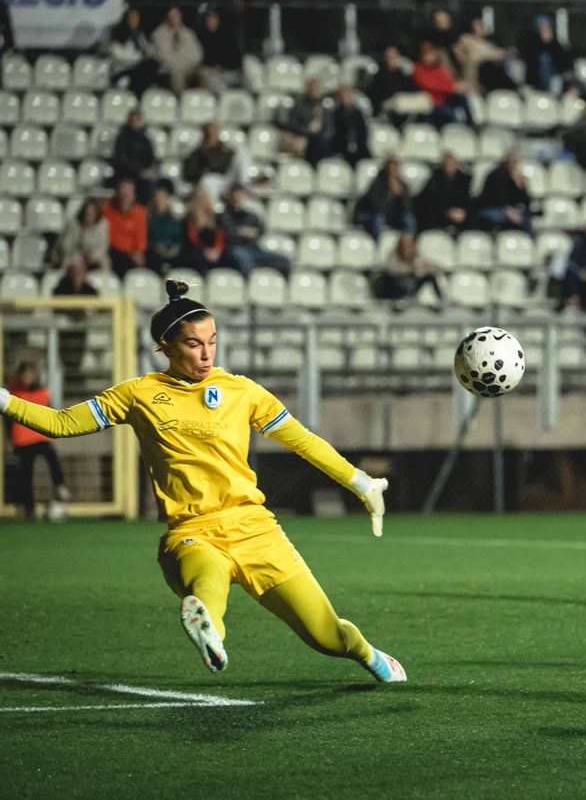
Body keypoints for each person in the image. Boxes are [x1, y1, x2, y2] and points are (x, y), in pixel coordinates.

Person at [0, 280, 404, 681]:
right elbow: (59, 422)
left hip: (255, 529)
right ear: (165, 346)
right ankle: (210, 634)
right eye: (194, 343)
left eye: (212, 340)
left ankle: (367, 653)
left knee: (327, 636)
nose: (207, 352)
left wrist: (361, 483)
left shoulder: (241, 390)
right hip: (192, 532)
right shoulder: (139, 394)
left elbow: (303, 441)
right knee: (207, 584)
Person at [7, 362, 70, 521]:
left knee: (53, 461)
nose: (28, 378)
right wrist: (11, 439)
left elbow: (52, 414)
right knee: (25, 475)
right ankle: (29, 508)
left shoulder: (42, 393)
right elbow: (8, 422)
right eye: (25, 374)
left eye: (31, 374)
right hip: (23, 441)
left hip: (41, 437)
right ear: (20, 376)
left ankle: (60, 487)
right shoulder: (14, 394)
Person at [219, 183, 292, 275]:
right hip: (234, 249)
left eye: (240, 194)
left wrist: (242, 232)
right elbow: (230, 235)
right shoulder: (224, 215)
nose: (237, 197)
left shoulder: (251, 215)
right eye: (235, 194)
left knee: (285, 261)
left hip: (254, 249)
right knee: (245, 263)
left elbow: (259, 232)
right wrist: (244, 232)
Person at [182, 121, 252, 198]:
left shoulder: (226, 150)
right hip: (199, 185)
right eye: (208, 131)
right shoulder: (196, 152)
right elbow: (188, 174)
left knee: (209, 180)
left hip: (224, 183)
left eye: (214, 130)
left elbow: (222, 168)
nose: (211, 133)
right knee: (206, 181)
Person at [354, 157, 417, 241]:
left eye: (396, 168)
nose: (394, 171)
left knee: (408, 218)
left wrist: (400, 196)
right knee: (379, 219)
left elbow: (407, 207)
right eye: (391, 169)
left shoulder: (403, 186)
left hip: (392, 216)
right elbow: (378, 208)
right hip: (372, 215)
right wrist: (390, 194)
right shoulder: (378, 184)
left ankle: (408, 243)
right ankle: (376, 244)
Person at [101, 8, 159, 94]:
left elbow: (146, 48)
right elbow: (118, 56)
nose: (134, 20)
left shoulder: (139, 35)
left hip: (137, 69)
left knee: (153, 65)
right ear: (126, 19)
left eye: (136, 18)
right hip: (122, 70)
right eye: (132, 18)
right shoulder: (118, 33)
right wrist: (139, 57)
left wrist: (152, 51)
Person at [278, 77, 334, 165]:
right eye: (312, 87)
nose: (315, 90)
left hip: (321, 143)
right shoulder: (299, 105)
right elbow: (292, 125)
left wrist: (321, 136)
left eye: (317, 87)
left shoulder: (325, 108)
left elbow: (330, 129)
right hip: (303, 140)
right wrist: (307, 131)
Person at [377, 231, 444, 303]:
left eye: (410, 243)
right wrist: (409, 269)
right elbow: (389, 268)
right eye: (405, 243)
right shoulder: (393, 255)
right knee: (389, 277)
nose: (408, 246)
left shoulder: (416, 255)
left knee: (430, 276)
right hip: (396, 286)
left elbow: (427, 264)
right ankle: (396, 300)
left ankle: (441, 301)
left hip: (410, 285)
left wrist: (435, 268)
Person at [472, 153, 532, 234]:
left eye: (515, 162)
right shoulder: (494, 176)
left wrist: (519, 186)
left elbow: (525, 201)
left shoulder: (517, 178)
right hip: (491, 208)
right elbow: (490, 199)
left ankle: (527, 241)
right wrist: (507, 210)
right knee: (500, 216)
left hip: (512, 210)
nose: (513, 164)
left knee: (525, 216)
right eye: (511, 161)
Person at [151, 6, 204, 94]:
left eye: (176, 15)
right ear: (167, 17)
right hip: (169, 69)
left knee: (204, 75)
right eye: (171, 15)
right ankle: (181, 103)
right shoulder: (158, 33)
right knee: (177, 73)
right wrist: (180, 63)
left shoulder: (188, 33)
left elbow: (198, 54)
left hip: (189, 67)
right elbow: (163, 56)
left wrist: (185, 63)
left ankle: (203, 104)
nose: (174, 18)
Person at [103, 178, 148, 277]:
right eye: (122, 193)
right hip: (116, 252)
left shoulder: (139, 212)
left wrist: (138, 251)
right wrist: (128, 252)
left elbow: (141, 235)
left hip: (134, 253)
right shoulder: (108, 211)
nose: (125, 196)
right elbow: (109, 237)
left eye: (128, 193)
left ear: (133, 195)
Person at [414, 152, 471, 230]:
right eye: (447, 164)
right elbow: (432, 200)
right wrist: (447, 212)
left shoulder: (464, 179)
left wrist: (462, 211)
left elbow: (466, 199)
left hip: (460, 213)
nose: (449, 166)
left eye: (452, 163)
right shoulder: (435, 179)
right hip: (440, 213)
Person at [111, 109, 157, 202]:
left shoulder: (145, 140)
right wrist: (139, 171)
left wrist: (148, 170)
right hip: (125, 174)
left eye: (138, 120)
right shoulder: (122, 138)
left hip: (142, 176)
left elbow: (150, 158)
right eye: (133, 120)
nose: (135, 122)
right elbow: (121, 160)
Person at [195, 7, 242, 93]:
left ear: (218, 20)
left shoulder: (228, 36)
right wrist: (211, 68)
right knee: (213, 80)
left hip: (229, 72)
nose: (211, 22)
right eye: (208, 20)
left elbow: (236, 59)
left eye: (213, 19)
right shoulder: (202, 37)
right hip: (211, 73)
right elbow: (200, 59)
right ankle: (222, 102)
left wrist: (222, 67)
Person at [56, 199, 109, 271]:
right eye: (87, 214)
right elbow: (65, 246)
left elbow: (103, 246)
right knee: (69, 261)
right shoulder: (73, 224)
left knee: (104, 261)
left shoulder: (103, 224)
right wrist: (80, 255)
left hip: (93, 258)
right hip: (74, 256)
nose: (89, 218)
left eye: (92, 215)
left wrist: (93, 255)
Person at [146, 180, 186, 272]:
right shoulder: (149, 220)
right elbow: (148, 240)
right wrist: (159, 248)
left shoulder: (174, 221)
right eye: (158, 198)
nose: (160, 201)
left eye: (163, 198)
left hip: (172, 252)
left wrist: (173, 250)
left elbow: (179, 240)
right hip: (155, 253)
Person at [185, 187, 227, 272]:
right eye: (200, 197)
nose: (203, 200)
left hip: (215, 251)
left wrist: (217, 250)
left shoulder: (215, 218)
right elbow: (192, 238)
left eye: (205, 196)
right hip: (198, 251)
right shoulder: (190, 218)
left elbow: (220, 236)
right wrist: (205, 251)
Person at [331, 85, 369, 165]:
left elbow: (363, 131)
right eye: (343, 96)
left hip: (359, 146)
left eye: (347, 96)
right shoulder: (336, 114)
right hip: (342, 147)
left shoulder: (358, 113)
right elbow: (335, 132)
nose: (345, 98)